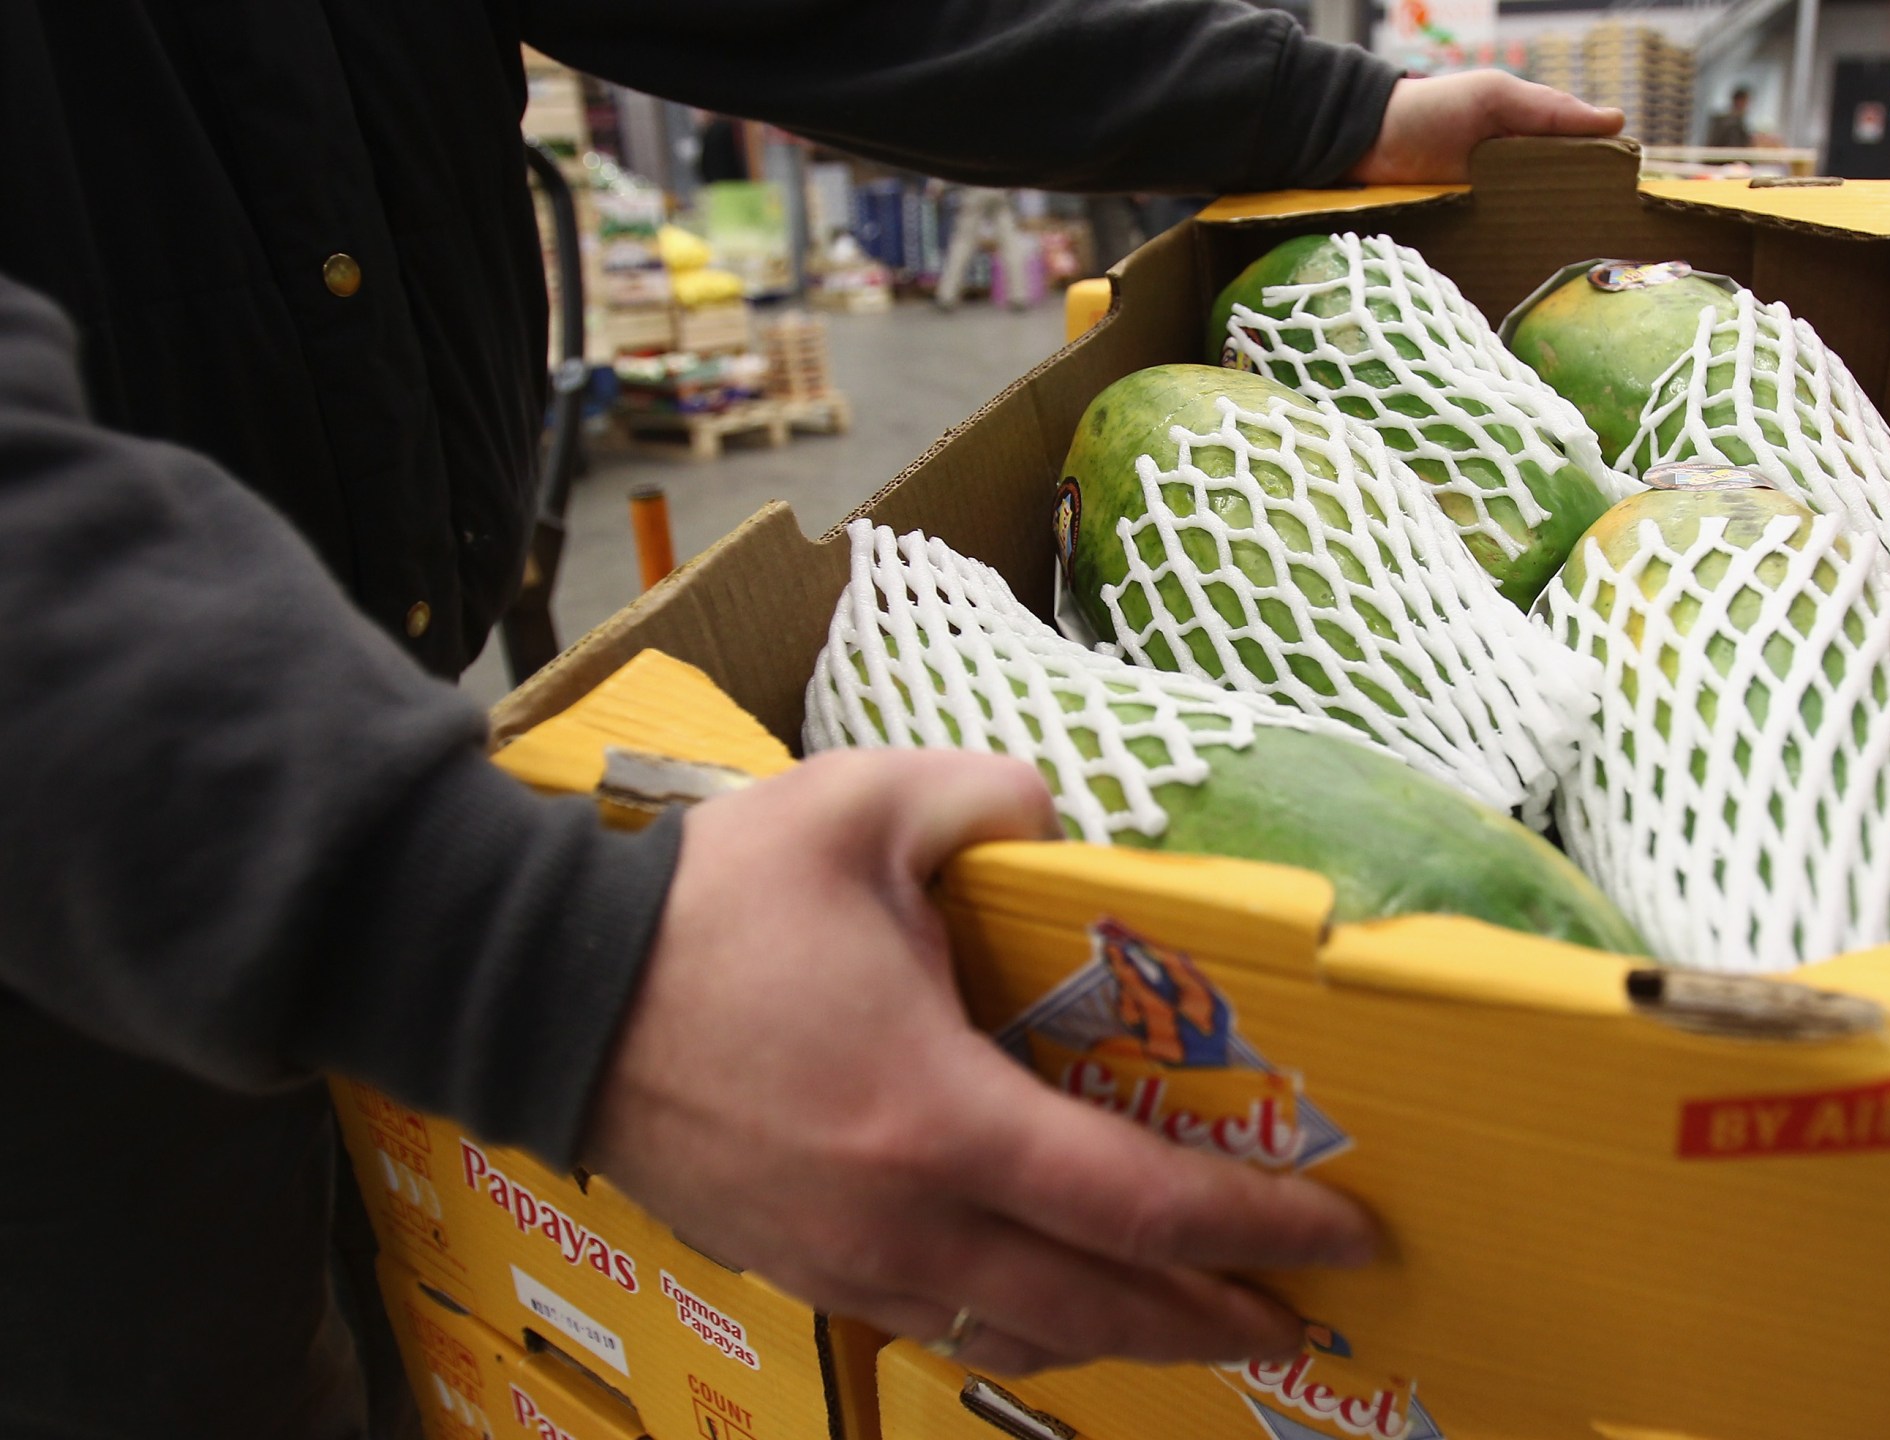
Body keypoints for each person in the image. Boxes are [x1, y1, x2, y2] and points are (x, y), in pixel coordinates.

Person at [0, 4, 1622, 1438]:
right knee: (171, 1367)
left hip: (318, 700)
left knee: (352, 1266)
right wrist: (505, 949)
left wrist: (1300, 109)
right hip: (59, 832)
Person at [935, 186, 1036, 311]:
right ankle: (1019, 297)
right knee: (1011, 245)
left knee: (963, 243)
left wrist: (937, 183)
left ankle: (947, 296)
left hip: (975, 188)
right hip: (1000, 190)